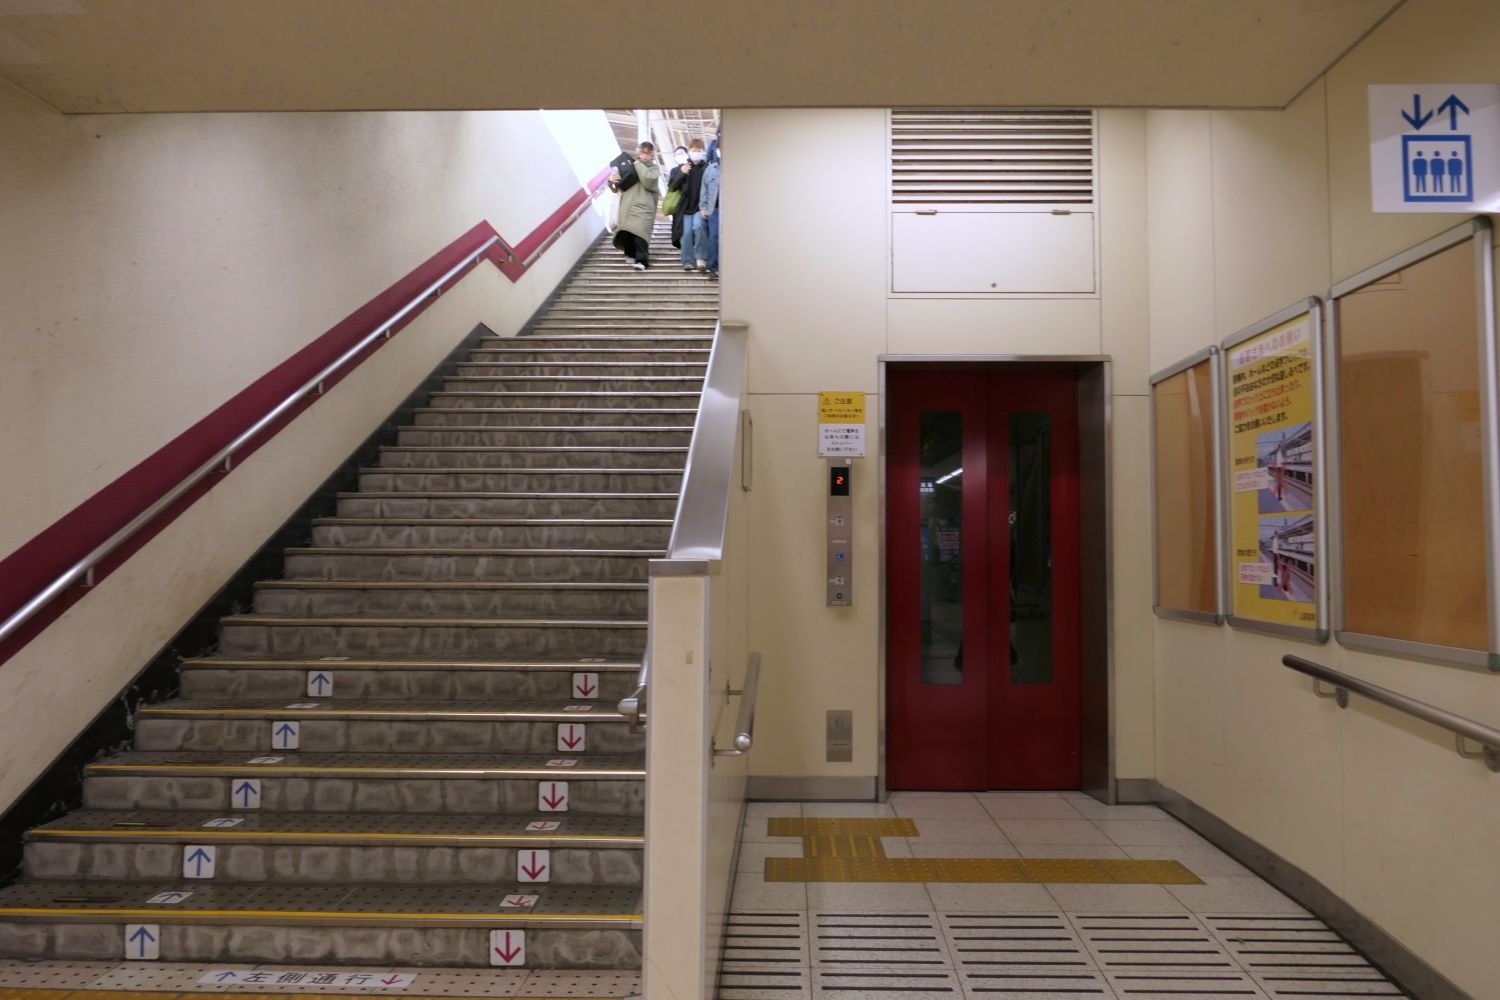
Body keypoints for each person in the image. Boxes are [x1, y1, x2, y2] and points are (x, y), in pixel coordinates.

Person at [611, 142, 660, 270]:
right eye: (643, 153)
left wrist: (638, 165)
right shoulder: (629, 166)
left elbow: (648, 180)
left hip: (644, 207)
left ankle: (642, 261)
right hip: (627, 205)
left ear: (652, 154)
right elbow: (617, 187)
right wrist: (611, 181)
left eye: (648, 153)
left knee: (640, 233)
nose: (645, 156)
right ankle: (630, 254)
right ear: (639, 152)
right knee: (627, 231)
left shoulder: (653, 168)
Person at [676, 138, 711, 270]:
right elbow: (673, 186)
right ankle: (687, 261)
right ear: (689, 152)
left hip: (700, 208)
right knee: (686, 233)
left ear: (703, 152)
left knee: (699, 227)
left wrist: (706, 206)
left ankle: (701, 257)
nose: (696, 153)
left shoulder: (707, 168)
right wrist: (681, 173)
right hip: (685, 209)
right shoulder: (684, 167)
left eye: (699, 150)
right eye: (693, 150)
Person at [699, 139, 721, 279]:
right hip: (715, 209)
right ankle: (713, 268)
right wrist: (703, 207)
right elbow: (704, 190)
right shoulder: (710, 169)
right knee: (714, 236)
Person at [666, 146, 689, 249]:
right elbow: (672, 186)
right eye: (677, 154)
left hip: (690, 202)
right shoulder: (674, 170)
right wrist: (681, 173)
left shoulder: (692, 167)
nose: (679, 156)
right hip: (678, 204)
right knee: (679, 226)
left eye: (682, 153)